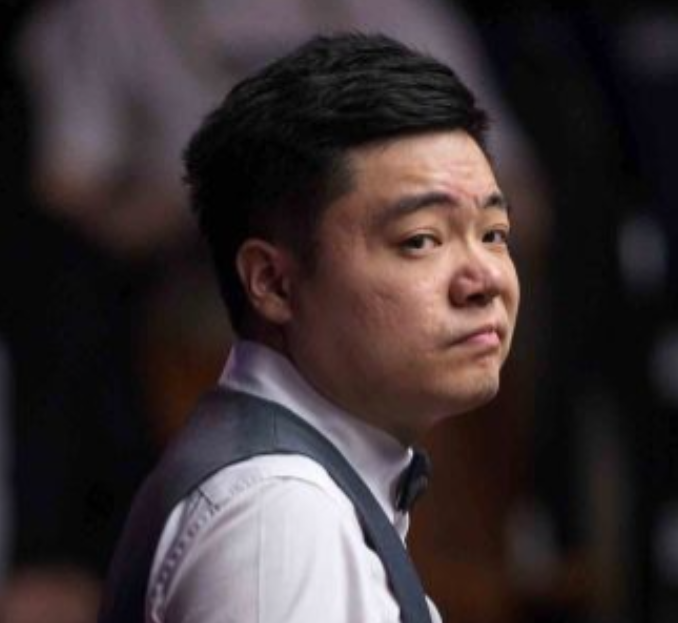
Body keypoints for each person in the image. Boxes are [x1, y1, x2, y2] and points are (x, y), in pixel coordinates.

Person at [98, 32, 520, 623]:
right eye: (421, 240)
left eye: (493, 234)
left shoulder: (298, 492)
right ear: (272, 282)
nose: (484, 279)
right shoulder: (277, 515)